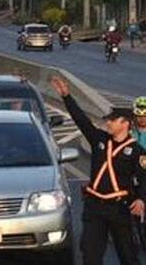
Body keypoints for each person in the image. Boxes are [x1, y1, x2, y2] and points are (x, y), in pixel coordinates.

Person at [51, 76, 146, 265]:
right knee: (90, 254)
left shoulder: (137, 152)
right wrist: (67, 97)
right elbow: (81, 121)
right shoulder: (99, 140)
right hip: (94, 207)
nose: (108, 124)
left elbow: (144, 179)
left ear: (125, 123)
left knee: (128, 255)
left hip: (119, 209)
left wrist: (141, 199)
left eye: (112, 121)